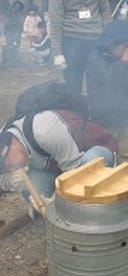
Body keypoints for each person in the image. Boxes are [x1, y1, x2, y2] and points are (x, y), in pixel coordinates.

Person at [0, 85, 117, 216]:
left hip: (89, 151)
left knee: (89, 163)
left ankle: (88, 209)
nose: (12, 169)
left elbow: (76, 173)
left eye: (9, 165)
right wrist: (10, 182)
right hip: (56, 163)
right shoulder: (4, 134)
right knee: (31, 186)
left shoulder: (45, 131)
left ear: (11, 146)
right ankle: (49, 207)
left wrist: (58, 200)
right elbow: (3, 179)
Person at [86, 20, 128, 164]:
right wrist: (124, 60)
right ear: (112, 43)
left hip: (122, 113)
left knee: (126, 153)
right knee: (107, 154)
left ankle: (127, 182)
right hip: (105, 116)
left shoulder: (116, 57)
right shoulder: (97, 58)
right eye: (126, 45)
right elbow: (110, 82)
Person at [48, 0, 112, 93]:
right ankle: (74, 106)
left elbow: (106, 13)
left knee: (98, 86)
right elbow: (55, 21)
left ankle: (97, 107)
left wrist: (109, 40)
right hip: (71, 41)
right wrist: (57, 52)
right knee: (73, 87)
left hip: (95, 40)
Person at [2, 0, 24, 67]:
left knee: (16, 47)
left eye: (19, 7)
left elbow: (20, 26)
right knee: (10, 47)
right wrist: (7, 34)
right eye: (16, 6)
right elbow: (6, 25)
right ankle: (8, 62)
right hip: (10, 34)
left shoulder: (19, 15)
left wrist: (19, 33)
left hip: (17, 34)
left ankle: (15, 61)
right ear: (14, 6)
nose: (17, 8)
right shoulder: (9, 14)